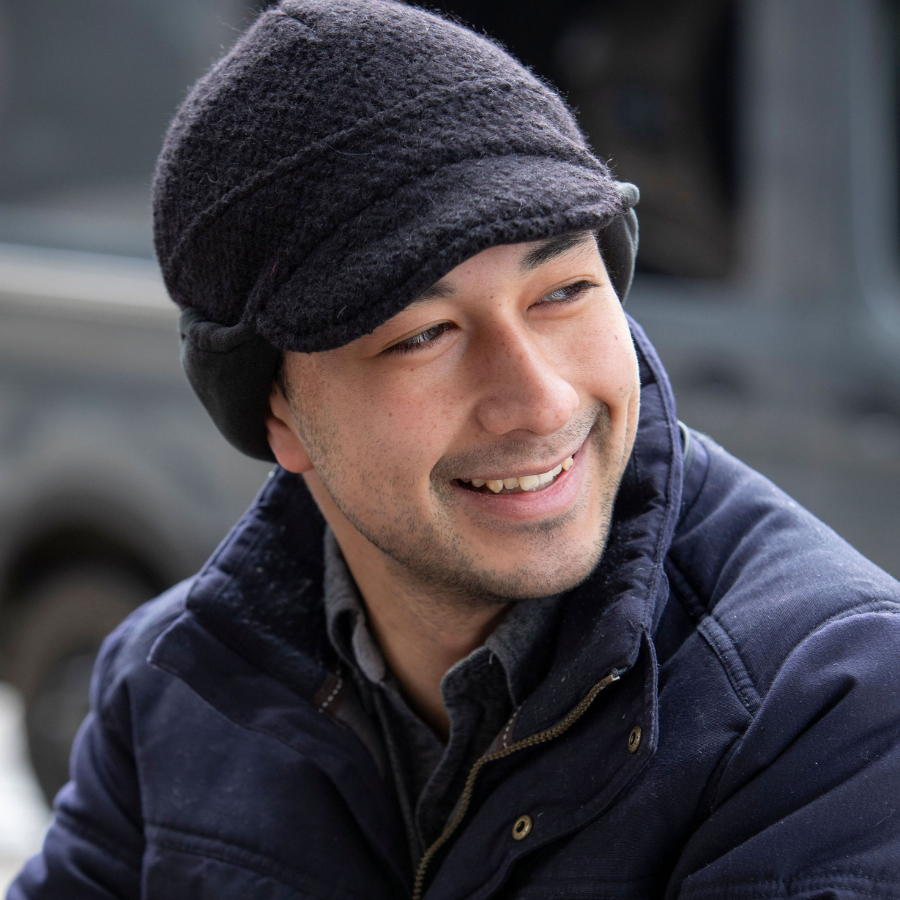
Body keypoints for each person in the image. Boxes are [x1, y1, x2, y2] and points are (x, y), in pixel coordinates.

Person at [10, 1, 900, 897]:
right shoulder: (167, 691)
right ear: (275, 414)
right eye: (424, 335)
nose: (539, 398)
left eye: (565, 291)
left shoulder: (832, 698)